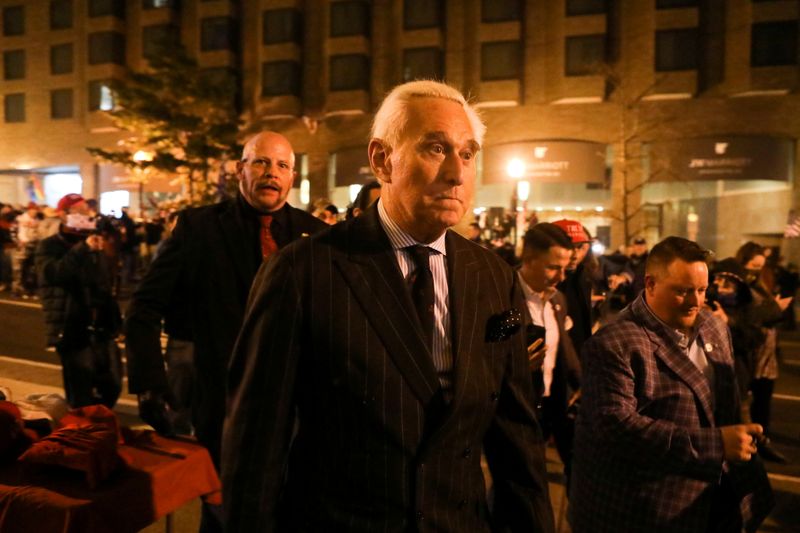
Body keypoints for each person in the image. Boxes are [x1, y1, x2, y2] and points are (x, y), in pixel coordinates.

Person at [222, 81, 554, 532]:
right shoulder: (303, 273)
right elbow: (256, 445)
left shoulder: (492, 276)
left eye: (469, 154)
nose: (457, 173)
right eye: (436, 148)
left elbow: (517, 438)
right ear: (382, 159)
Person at [124, 131, 327, 532]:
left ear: (292, 177)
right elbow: (143, 308)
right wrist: (150, 383)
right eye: (261, 162)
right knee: (225, 516)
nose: (272, 174)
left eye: (282, 166)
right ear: (240, 169)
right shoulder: (198, 228)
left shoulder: (317, 235)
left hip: (301, 409)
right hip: (223, 407)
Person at [570, 236, 773, 532]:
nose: (696, 301)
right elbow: (616, 427)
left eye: (702, 290)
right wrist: (716, 445)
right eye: (683, 291)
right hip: (646, 509)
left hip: (714, 502)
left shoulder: (714, 327)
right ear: (650, 284)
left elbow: (725, 403)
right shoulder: (615, 343)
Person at [35, 193, 122, 409]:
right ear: (63, 215)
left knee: (112, 382)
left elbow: (103, 285)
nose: (85, 216)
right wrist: (83, 249)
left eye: (86, 212)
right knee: (80, 388)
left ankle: (99, 422)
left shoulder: (94, 244)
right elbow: (54, 274)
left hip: (100, 327)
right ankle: (83, 431)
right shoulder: (49, 246)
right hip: (72, 326)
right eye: (78, 212)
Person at [518, 222, 581, 488]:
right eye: (553, 267)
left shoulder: (557, 299)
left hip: (553, 405)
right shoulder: (501, 294)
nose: (561, 277)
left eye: (566, 268)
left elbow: (562, 347)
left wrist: (579, 382)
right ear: (528, 259)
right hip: (518, 408)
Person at [735, 241, 791, 463]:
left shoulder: (761, 283)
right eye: (754, 265)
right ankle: (747, 446)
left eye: (761, 266)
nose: (757, 270)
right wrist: (775, 308)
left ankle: (761, 442)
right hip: (751, 352)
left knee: (763, 402)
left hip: (766, 354)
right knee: (744, 403)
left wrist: (777, 309)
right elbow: (749, 315)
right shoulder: (740, 284)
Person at [553, 219, 595, 354]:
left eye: (579, 247)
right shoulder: (543, 281)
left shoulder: (582, 275)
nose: (575, 255)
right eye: (570, 247)